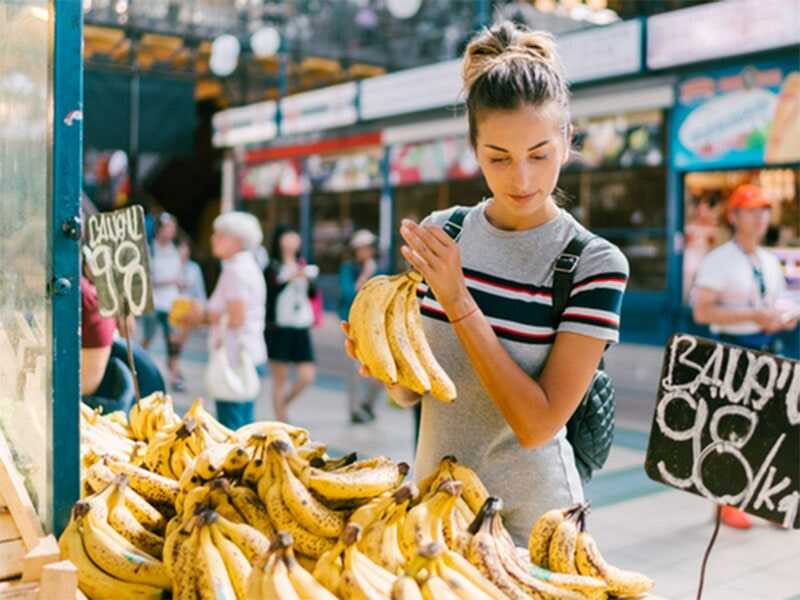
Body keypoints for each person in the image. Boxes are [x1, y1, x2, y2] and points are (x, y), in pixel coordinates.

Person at [344, 21, 629, 545]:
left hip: (533, 529)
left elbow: (537, 424)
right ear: (474, 149)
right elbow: (414, 393)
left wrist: (458, 301)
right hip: (434, 511)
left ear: (567, 141)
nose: (521, 179)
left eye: (540, 154)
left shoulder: (592, 263)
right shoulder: (443, 233)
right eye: (499, 158)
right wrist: (382, 362)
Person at [692, 183, 798, 530]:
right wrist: (750, 317)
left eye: (764, 210)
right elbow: (702, 312)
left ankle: (769, 503)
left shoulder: (768, 260)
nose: (759, 218)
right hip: (733, 353)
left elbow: (772, 304)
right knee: (731, 430)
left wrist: (781, 317)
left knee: (772, 427)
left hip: (768, 350)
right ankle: (726, 504)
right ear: (734, 216)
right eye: (751, 211)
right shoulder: (719, 260)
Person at [178, 212, 267, 430]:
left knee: (233, 430)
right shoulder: (245, 265)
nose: (213, 239)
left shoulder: (236, 269)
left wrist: (202, 315)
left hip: (235, 358)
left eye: (219, 235)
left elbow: (236, 317)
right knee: (243, 424)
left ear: (236, 240)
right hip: (245, 354)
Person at [265, 226, 318, 423]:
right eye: (288, 237)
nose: (292, 241)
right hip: (279, 327)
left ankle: (283, 404)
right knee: (280, 379)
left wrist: (308, 279)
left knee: (307, 376)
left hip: (301, 324)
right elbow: (270, 294)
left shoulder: (302, 264)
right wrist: (290, 278)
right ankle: (281, 422)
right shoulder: (273, 266)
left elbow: (312, 294)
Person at [339, 229, 383, 424]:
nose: (363, 252)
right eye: (359, 248)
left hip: (376, 325)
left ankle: (368, 404)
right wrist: (365, 274)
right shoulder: (348, 268)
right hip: (353, 325)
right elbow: (349, 293)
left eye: (367, 247)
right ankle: (355, 410)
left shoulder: (382, 268)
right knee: (354, 370)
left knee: (380, 371)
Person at [141, 212, 184, 390]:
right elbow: (146, 276)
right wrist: (168, 281)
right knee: (148, 338)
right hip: (153, 301)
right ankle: (139, 367)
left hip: (171, 302)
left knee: (173, 341)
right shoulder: (150, 249)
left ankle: (175, 375)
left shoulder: (176, 249)